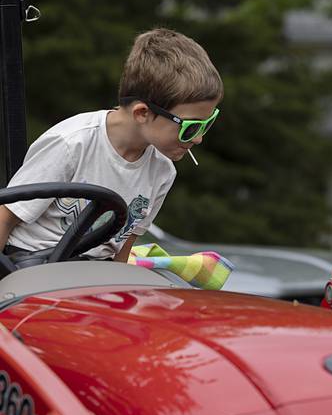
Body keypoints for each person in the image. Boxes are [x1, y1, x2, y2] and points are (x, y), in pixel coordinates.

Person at [0, 28, 223, 262]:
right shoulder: (72, 143)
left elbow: (124, 248)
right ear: (142, 113)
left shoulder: (162, 171)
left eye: (207, 124)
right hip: (34, 266)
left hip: (97, 274)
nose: (198, 139)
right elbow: (6, 217)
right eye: (190, 127)